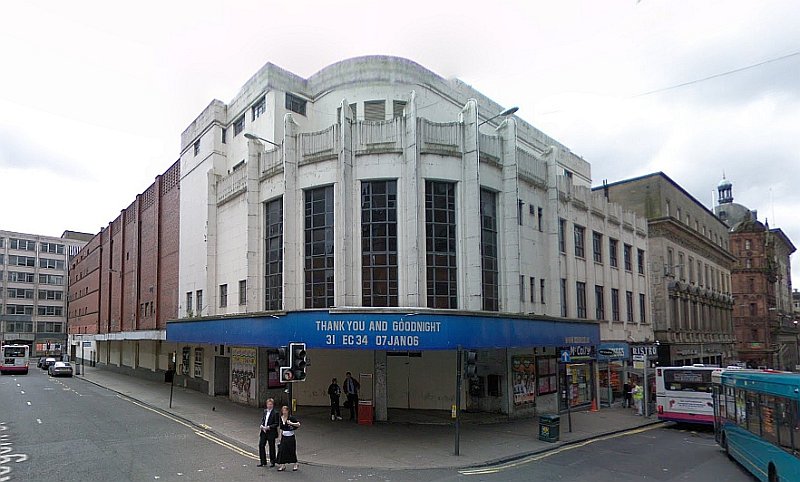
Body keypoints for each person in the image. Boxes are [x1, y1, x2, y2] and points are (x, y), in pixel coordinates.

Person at [276, 405, 301, 472]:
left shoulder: (291, 418)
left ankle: (295, 463)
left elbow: (298, 424)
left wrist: (291, 423)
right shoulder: (281, 418)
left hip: (290, 437)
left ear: (287, 411)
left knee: (291, 450)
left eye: (285, 411)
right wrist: (279, 436)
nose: (284, 412)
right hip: (284, 436)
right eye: (283, 411)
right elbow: (281, 428)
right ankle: (282, 465)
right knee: (282, 450)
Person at [258, 398, 280, 467]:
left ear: (273, 405)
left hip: (271, 432)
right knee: (261, 445)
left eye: (271, 404)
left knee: (271, 447)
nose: (269, 406)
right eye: (268, 404)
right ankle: (263, 462)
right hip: (263, 431)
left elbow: (276, 424)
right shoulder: (265, 411)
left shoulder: (275, 413)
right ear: (266, 405)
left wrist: (269, 427)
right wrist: (262, 425)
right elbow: (264, 420)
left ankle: (272, 461)